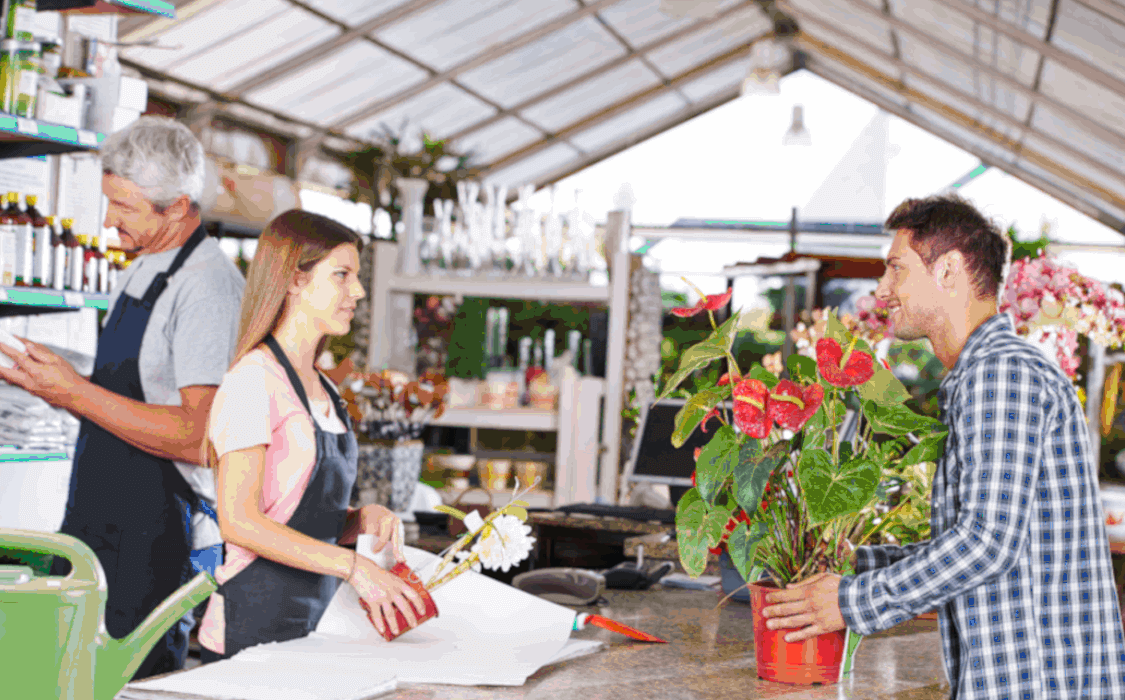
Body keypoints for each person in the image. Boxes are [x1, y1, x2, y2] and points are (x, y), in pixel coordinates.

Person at [762, 195, 1125, 698]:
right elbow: (980, 542)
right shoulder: (988, 372)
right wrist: (855, 562)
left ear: (949, 269)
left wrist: (850, 602)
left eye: (896, 269)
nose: (883, 290)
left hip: (1038, 682)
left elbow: (985, 543)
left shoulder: (1003, 373)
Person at [0, 117, 245, 678]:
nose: (109, 220)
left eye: (126, 208)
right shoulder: (143, 268)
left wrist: (77, 393)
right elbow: (130, 385)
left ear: (179, 208)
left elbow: (199, 435)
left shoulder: (207, 287)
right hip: (98, 524)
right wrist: (52, 377)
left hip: (156, 542)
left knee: (132, 684)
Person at [196, 209, 425, 663]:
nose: (357, 292)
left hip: (314, 629)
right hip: (250, 630)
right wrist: (353, 566)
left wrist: (361, 519)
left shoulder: (327, 390)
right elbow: (239, 521)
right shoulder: (253, 381)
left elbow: (295, 514)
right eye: (342, 275)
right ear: (295, 280)